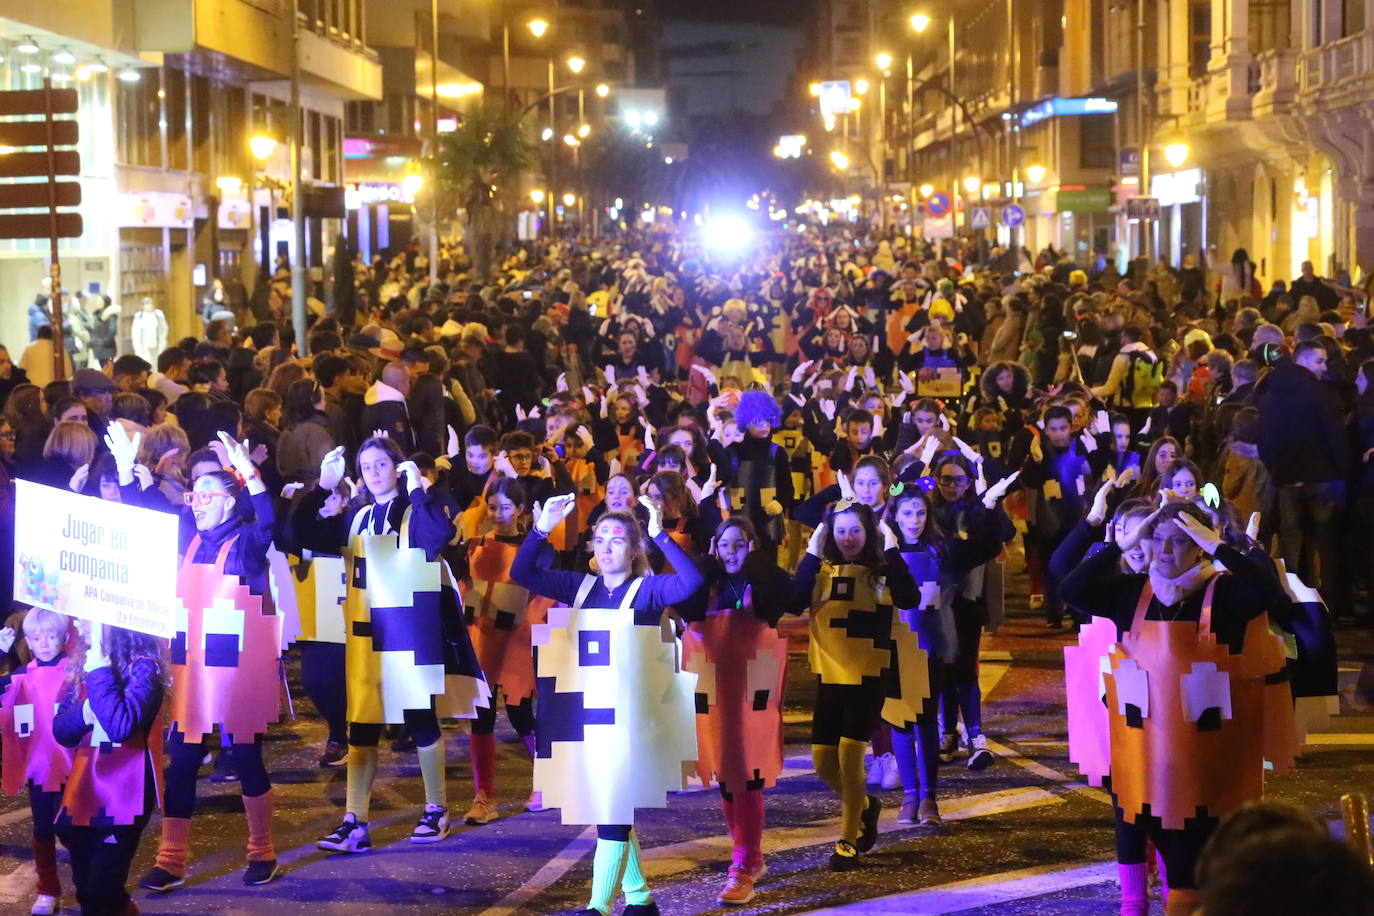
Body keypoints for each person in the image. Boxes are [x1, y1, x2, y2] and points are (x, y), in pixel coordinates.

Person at [1059, 502, 1297, 915]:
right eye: (1159, 540)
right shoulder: (1132, 593)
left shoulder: (1222, 596)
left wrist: (1220, 547)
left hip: (1204, 765)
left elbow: (1270, 593)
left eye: (1180, 542)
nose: (1165, 550)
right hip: (1142, 759)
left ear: (1199, 548)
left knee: (1189, 876)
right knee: (1143, 845)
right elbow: (1070, 589)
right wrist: (1121, 545)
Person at [511, 493, 704, 916]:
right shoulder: (579, 587)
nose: (607, 547)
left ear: (634, 549)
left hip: (634, 724)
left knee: (613, 810)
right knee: (606, 810)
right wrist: (541, 527)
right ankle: (639, 899)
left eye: (618, 540)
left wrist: (660, 535)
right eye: (600, 539)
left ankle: (597, 908)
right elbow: (521, 570)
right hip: (589, 719)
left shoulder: (648, 590)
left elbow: (691, 583)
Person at [297, 437, 489, 853]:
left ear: (396, 467)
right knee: (362, 723)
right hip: (367, 634)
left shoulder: (410, 510)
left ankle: (436, 809)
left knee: (419, 717)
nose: (373, 471)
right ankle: (355, 821)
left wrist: (417, 488)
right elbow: (296, 534)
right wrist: (321, 488)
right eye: (366, 465)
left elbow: (438, 536)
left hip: (408, 630)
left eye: (381, 463)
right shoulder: (359, 516)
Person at [139, 431, 284, 892]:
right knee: (180, 764)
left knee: (245, 759)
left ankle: (262, 850)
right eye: (193, 494)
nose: (197, 502)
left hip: (238, 673)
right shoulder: (187, 539)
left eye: (207, 495)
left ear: (229, 501)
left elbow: (268, 522)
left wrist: (251, 474)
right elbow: (142, 521)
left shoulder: (246, 542)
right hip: (192, 674)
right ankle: (171, 859)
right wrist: (128, 479)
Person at [788, 499, 921, 871]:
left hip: (869, 676)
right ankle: (865, 806)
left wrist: (892, 550)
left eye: (856, 530)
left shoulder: (881, 572)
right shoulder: (821, 571)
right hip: (830, 675)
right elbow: (793, 601)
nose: (848, 538)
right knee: (822, 762)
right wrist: (812, 553)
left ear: (870, 533)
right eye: (841, 530)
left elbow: (910, 597)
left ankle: (847, 841)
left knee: (849, 759)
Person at [679, 516, 791, 904]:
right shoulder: (705, 583)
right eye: (725, 544)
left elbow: (782, 598)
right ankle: (750, 854)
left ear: (753, 548)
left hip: (753, 692)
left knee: (747, 774)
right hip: (714, 691)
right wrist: (708, 563)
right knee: (728, 776)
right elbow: (687, 603)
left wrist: (755, 563)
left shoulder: (762, 583)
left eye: (740, 545)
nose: (732, 552)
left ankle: (743, 865)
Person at [53, 621, 167, 916]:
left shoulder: (145, 668)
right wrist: (85, 712)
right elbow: (61, 730)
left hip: (123, 794)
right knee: (86, 889)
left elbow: (121, 725)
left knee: (101, 889)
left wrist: (100, 670)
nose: (80, 623)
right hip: (85, 791)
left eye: (88, 618)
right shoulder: (84, 662)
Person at [457, 477, 546, 824]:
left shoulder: (533, 547)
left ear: (520, 510)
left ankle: (546, 781)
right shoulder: (476, 544)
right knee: (481, 717)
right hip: (482, 639)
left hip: (517, 643)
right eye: (492, 507)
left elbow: (541, 593)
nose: (497, 514)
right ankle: (484, 797)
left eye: (505, 507)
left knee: (521, 713)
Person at [1257, 339, 1351, 618]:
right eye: (1319, 361)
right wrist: (1343, 471)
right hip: (1322, 481)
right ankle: (1329, 607)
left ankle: (1293, 606)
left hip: (1287, 482)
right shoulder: (1320, 394)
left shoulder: (1271, 395)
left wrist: (1278, 470)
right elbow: (1335, 436)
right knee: (1326, 545)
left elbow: (1265, 440)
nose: (1324, 367)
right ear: (1303, 361)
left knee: (1292, 547)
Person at [0, 609, 76, 916]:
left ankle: (87, 880)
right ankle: (47, 890)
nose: (44, 643)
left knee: (74, 829)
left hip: (77, 765)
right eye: (36, 637)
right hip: (40, 767)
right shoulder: (20, 677)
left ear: (64, 637)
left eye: (51, 635)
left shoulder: (78, 671)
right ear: (28, 642)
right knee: (44, 829)